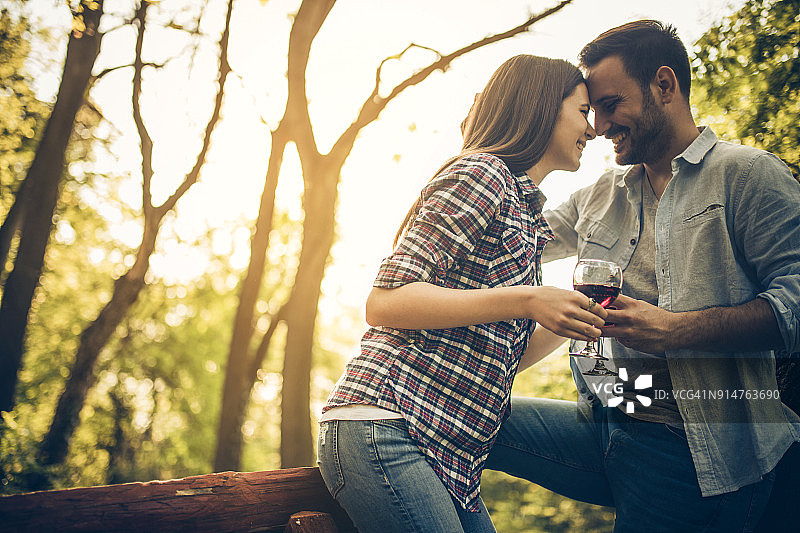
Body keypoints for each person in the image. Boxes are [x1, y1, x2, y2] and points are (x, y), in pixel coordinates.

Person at [484, 20, 800, 532]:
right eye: (592, 111)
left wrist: (677, 330)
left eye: (610, 104)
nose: (599, 125)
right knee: (462, 419)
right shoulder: (599, 193)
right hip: (604, 418)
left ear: (664, 85)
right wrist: (489, 153)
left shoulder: (748, 175)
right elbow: (502, 240)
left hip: (689, 447)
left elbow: (796, 302)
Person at [317, 54, 603, 533]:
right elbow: (386, 300)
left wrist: (579, 317)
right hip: (386, 425)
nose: (592, 130)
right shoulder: (482, 174)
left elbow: (497, 355)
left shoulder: (522, 210)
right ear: (540, 108)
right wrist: (529, 299)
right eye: (582, 111)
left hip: (447, 452)